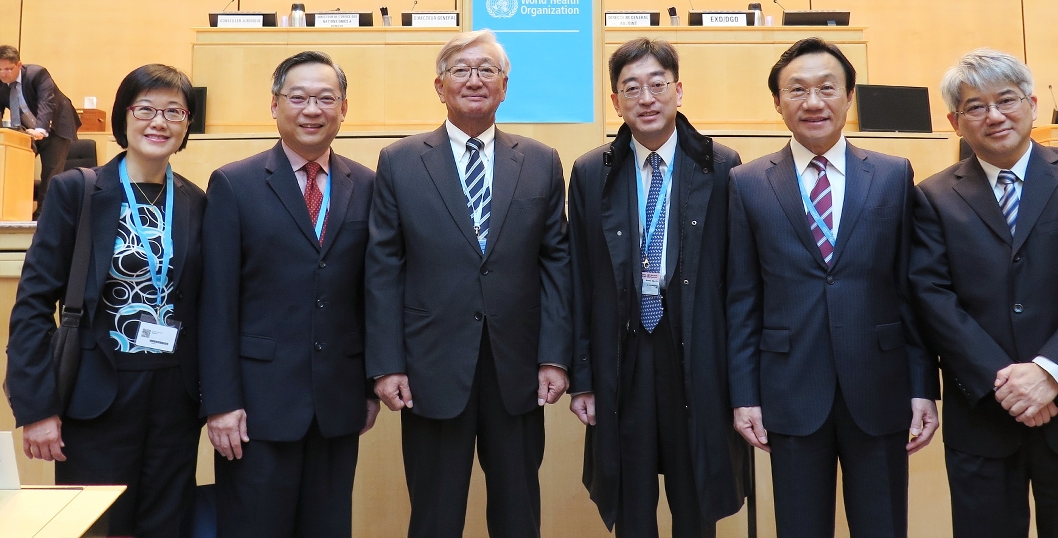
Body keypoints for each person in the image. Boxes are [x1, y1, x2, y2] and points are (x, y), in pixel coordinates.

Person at [910, 49, 1058, 538]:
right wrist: (1007, 384)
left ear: (1032, 103)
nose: (994, 116)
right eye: (975, 106)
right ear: (954, 121)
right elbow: (932, 295)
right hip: (986, 417)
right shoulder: (933, 196)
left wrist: (1049, 373)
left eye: (1006, 100)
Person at [726, 37, 939, 538]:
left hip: (880, 384)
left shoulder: (892, 175)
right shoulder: (747, 183)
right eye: (797, 90)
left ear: (849, 97)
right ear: (777, 102)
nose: (813, 102)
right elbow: (741, 296)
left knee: (883, 526)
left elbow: (911, 290)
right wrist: (744, 393)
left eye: (827, 88)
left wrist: (922, 387)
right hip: (789, 388)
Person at [366, 29, 572, 538]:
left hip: (516, 368)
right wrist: (387, 363)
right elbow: (383, 268)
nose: (474, 80)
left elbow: (556, 264)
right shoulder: (399, 161)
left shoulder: (542, 161)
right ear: (439, 86)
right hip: (430, 365)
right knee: (434, 516)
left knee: (518, 510)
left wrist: (554, 355)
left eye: (487, 71)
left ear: (505, 87)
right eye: (461, 70)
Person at [6, 64, 205, 538]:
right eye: (146, 109)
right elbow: (34, 303)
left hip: (174, 398)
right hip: (94, 395)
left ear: (187, 125)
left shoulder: (197, 201)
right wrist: (37, 409)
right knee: (95, 528)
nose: (160, 122)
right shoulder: (77, 191)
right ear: (123, 117)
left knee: (166, 526)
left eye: (174, 111)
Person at [568, 38, 748, 537]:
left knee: (696, 498)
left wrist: (742, 379)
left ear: (679, 90)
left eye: (657, 85)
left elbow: (739, 281)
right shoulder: (589, 173)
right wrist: (583, 376)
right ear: (615, 102)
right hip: (622, 356)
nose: (646, 98)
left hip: (695, 352)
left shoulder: (722, 166)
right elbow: (579, 281)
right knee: (631, 498)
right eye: (631, 88)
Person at [199, 50, 378, 538]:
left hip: (338, 404)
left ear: (344, 108)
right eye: (298, 97)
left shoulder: (366, 184)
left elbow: (371, 294)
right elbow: (216, 303)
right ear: (274, 105)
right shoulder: (234, 184)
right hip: (255, 407)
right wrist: (220, 402)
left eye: (326, 98)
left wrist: (366, 386)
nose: (312, 109)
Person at [0, 45, 82, 219]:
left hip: (56, 126)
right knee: (16, 167)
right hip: (27, 132)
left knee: (51, 174)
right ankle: (14, 214)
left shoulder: (37, 74)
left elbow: (47, 102)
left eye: (8, 69)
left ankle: (42, 219)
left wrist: (41, 129)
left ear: (19, 65)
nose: (3, 74)